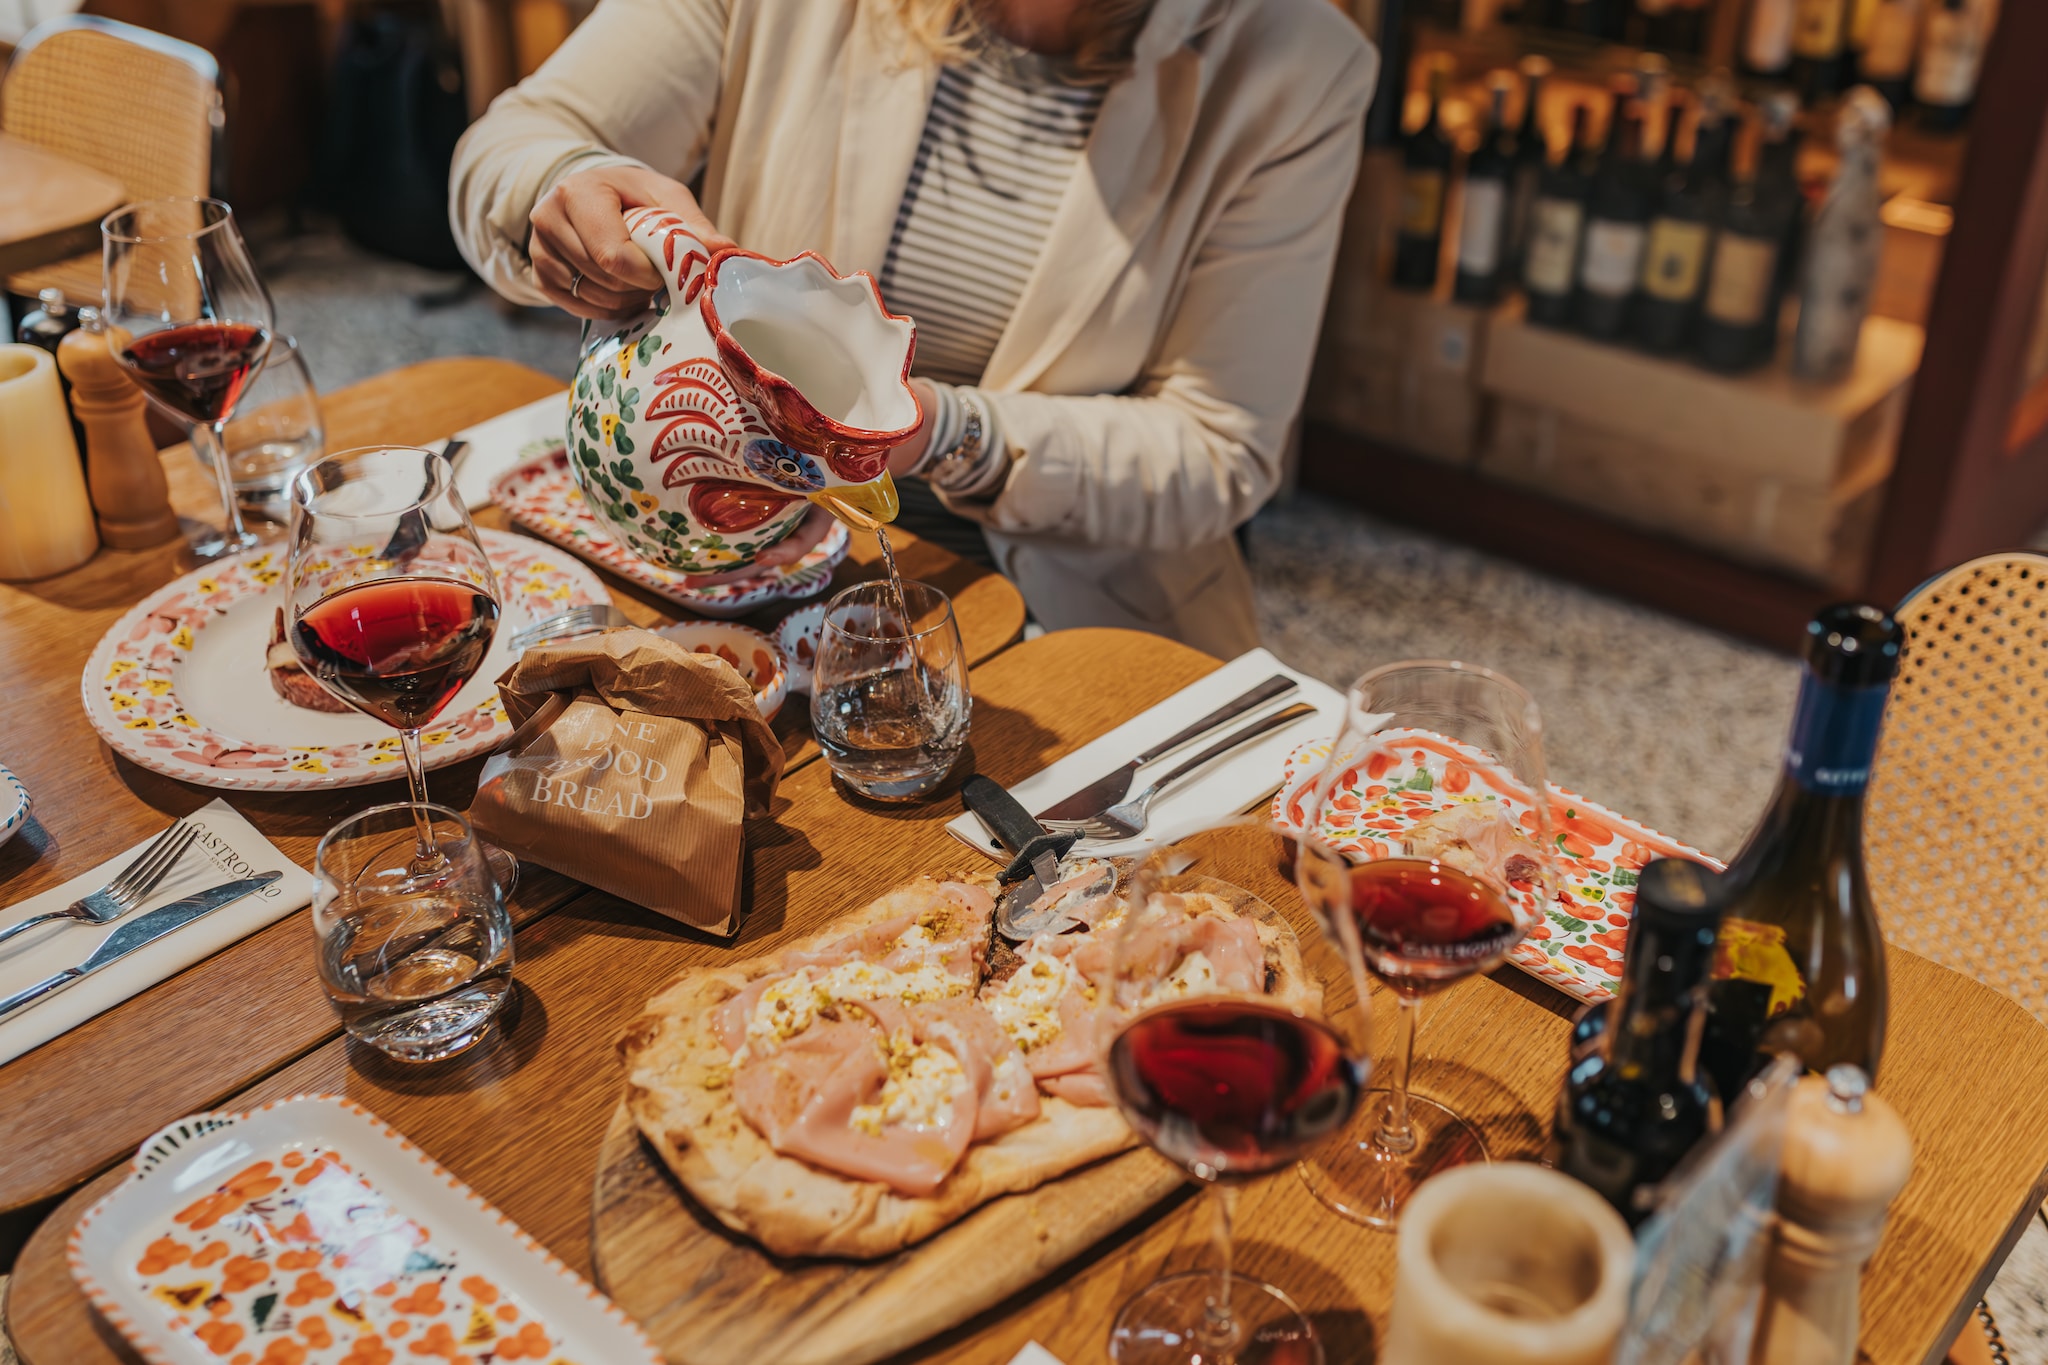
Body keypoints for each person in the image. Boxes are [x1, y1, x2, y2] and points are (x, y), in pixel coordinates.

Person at [451, 0, 1376, 657]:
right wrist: (564, 186)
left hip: (1072, 617)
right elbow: (517, 138)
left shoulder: (1297, 62)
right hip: (742, 567)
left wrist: (932, 432)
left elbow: (1219, 449)